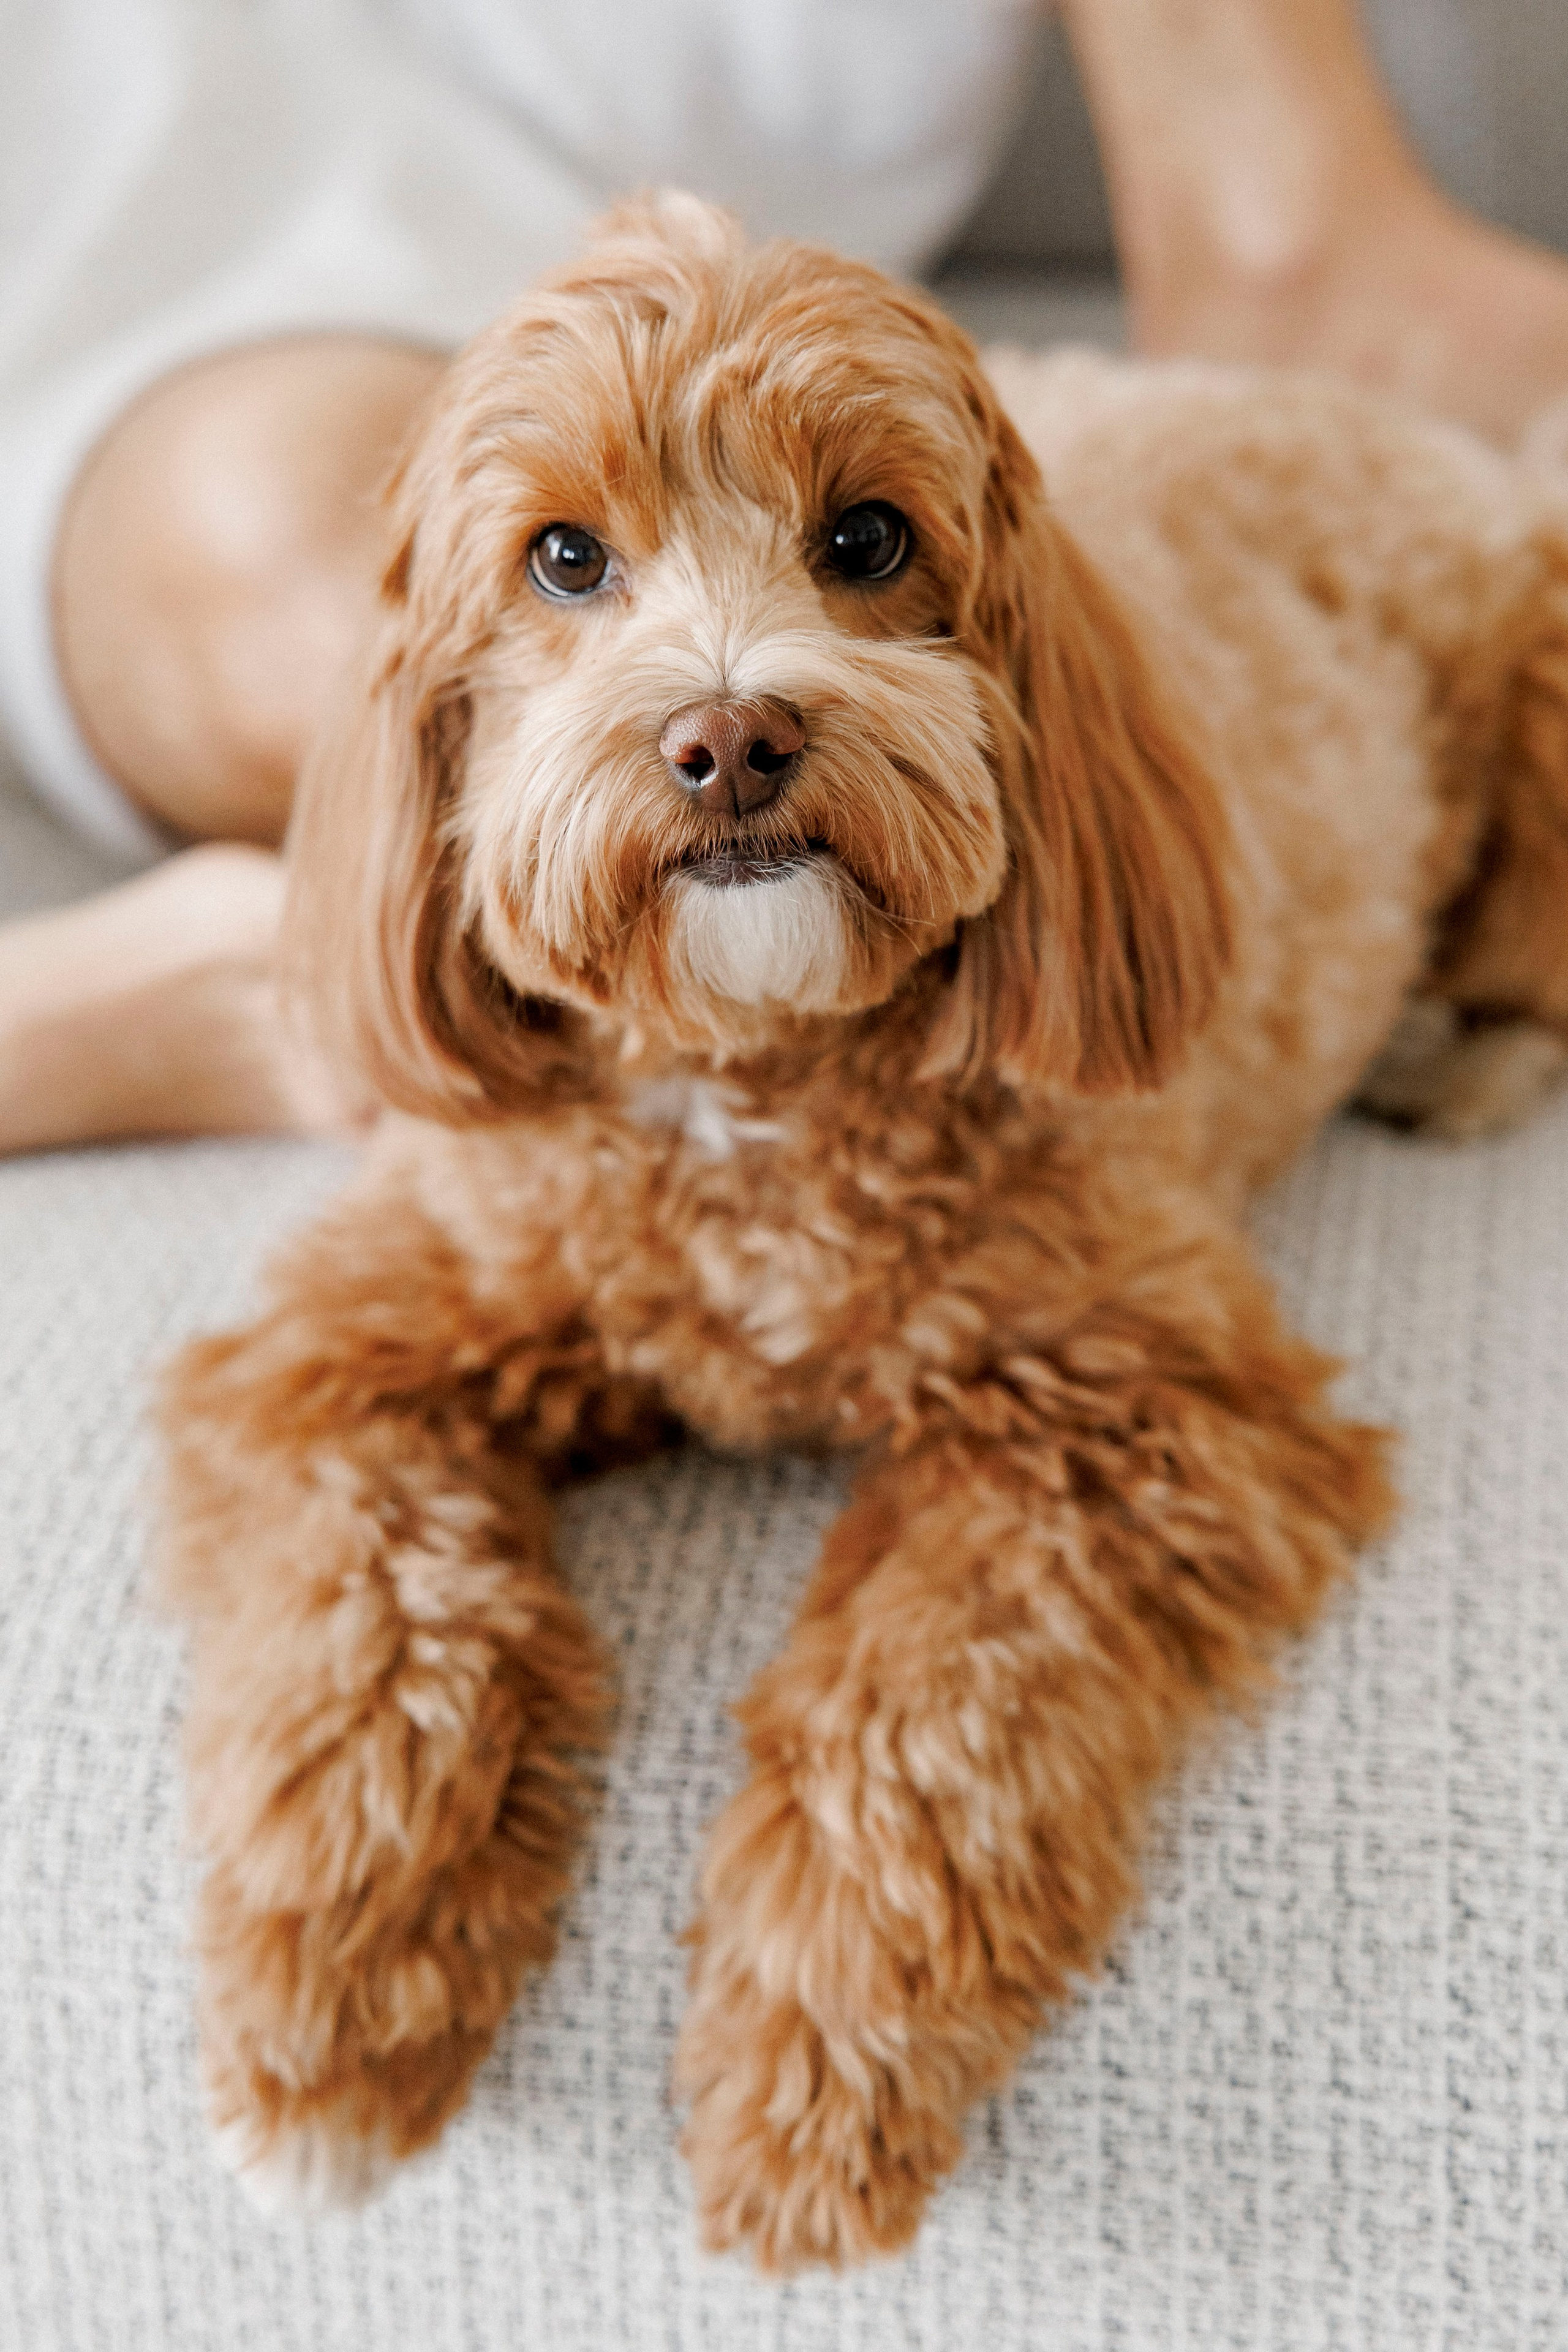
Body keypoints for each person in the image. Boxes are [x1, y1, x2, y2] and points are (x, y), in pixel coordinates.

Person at [5, 0, 1568, 1157]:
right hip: (132, 211)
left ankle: (1282, 234)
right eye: (574, 566)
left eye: (862, 554)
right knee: (314, 570)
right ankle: (181, 976)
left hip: (650, 133)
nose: (729, 714)